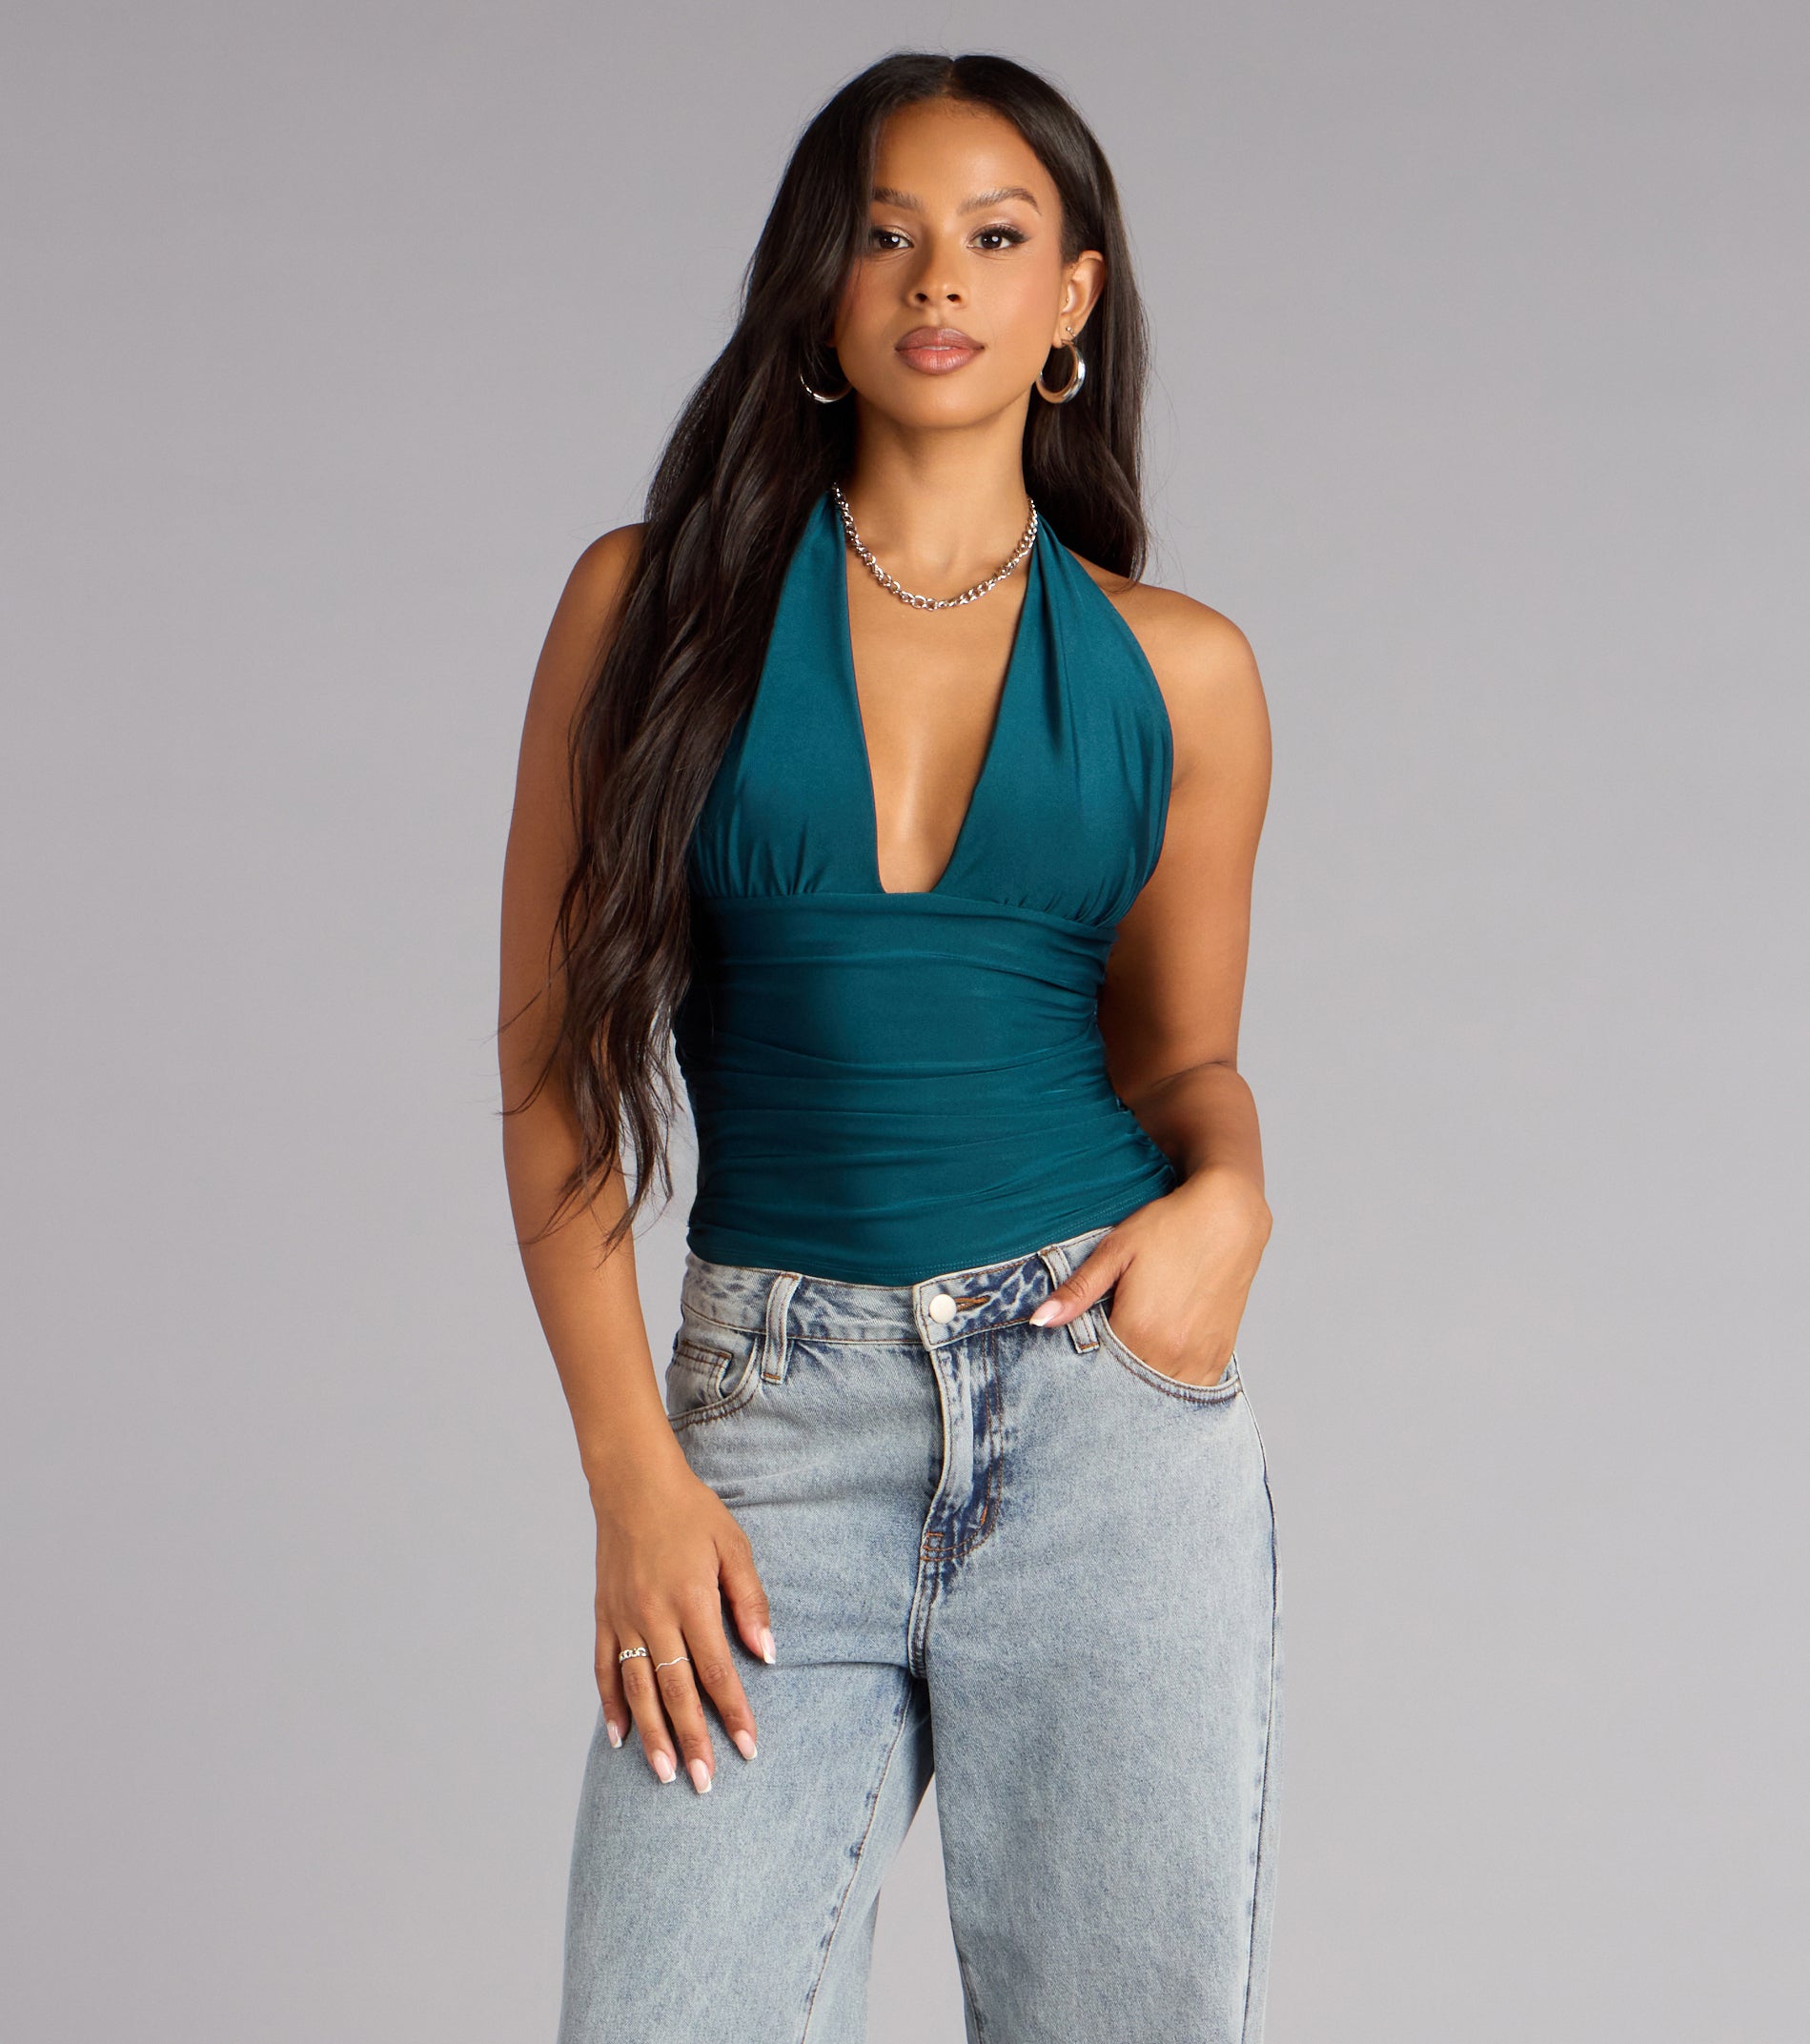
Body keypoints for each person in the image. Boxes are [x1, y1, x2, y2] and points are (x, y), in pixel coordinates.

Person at [498, 49, 1281, 2044]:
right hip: (771, 1420)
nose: (939, 277)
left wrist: (1234, 1189)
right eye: (885, 232)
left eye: (996, 238)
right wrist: (632, 1471)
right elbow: (558, 1073)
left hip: (1104, 1419)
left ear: (1071, 298)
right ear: (820, 288)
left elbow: (1182, 1061)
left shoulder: (1179, 670)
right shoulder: (648, 610)